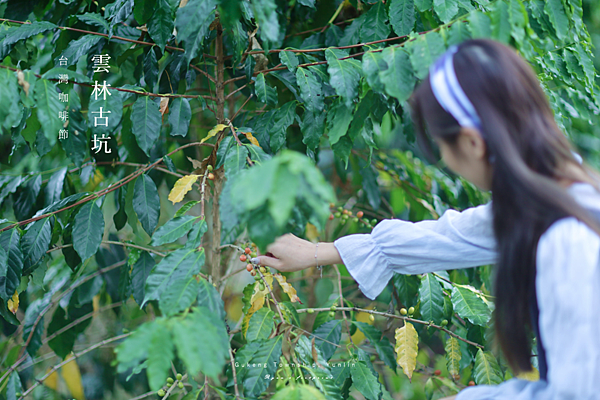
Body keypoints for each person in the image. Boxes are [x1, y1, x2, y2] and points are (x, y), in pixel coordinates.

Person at [251, 39, 600, 399]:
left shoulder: (569, 241)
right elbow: (452, 236)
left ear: (472, 143)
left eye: (441, 147)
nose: (447, 161)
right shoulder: (561, 201)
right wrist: (318, 252)